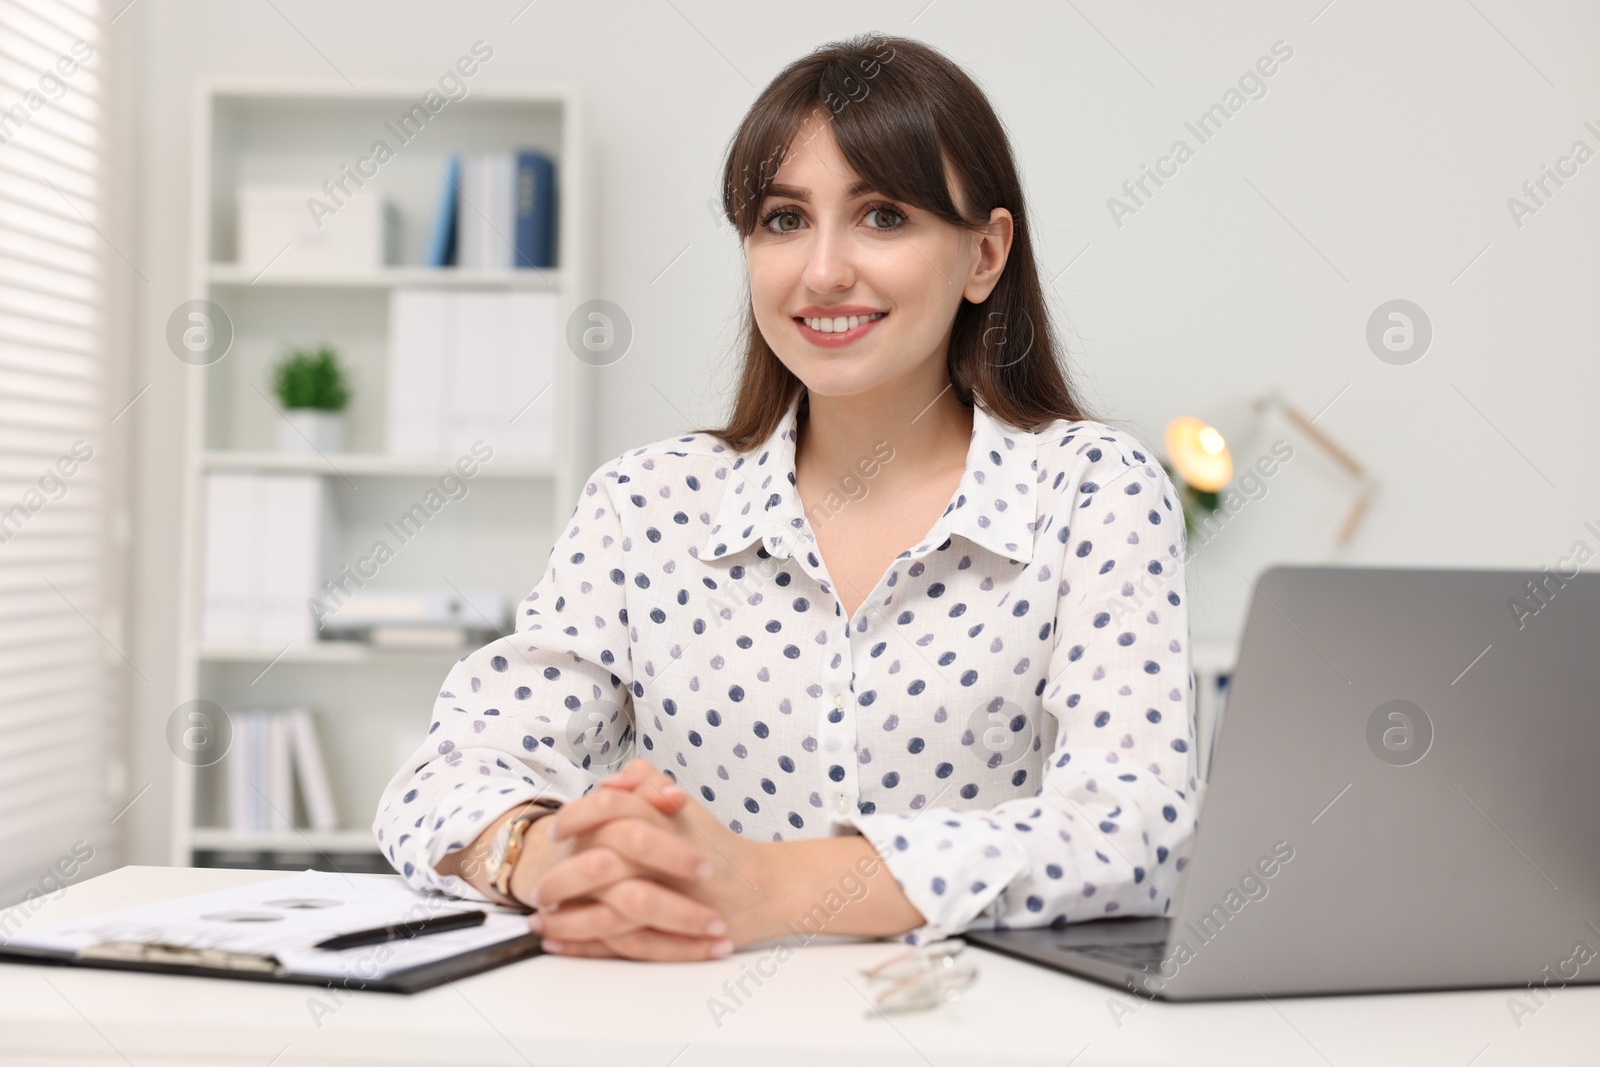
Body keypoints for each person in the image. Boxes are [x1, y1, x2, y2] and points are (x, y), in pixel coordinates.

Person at [373, 31, 1197, 963]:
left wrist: (769, 887)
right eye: (782, 218)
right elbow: (442, 773)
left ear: (984, 255)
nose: (822, 271)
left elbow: (1135, 831)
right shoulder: (646, 504)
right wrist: (547, 852)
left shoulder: (1093, 491)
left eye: (884, 215)